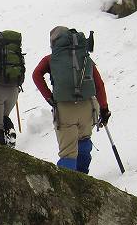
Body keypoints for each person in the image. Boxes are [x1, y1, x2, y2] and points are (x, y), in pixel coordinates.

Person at [32, 26, 110, 174]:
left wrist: (49, 97)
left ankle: (68, 187)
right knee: (84, 142)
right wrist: (104, 108)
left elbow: (36, 75)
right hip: (88, 107)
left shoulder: (51, 59)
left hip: (65, 109)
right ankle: (83, 179)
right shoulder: (85, 57)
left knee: (68, 152)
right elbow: (99, 84)